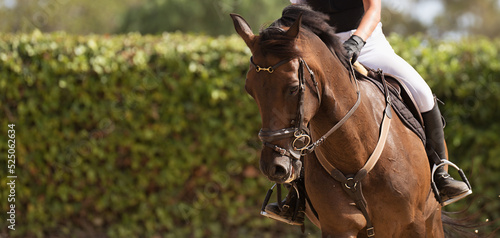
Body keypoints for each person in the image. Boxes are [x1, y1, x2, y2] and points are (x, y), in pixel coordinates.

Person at [262, 0, 472, 226]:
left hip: (365, 42)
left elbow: (374, 9)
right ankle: (295, 193)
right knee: (294, 99)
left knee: (422, 91)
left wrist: (356, 41)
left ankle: (441, 173)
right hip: (319, 49)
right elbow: (296, 15)